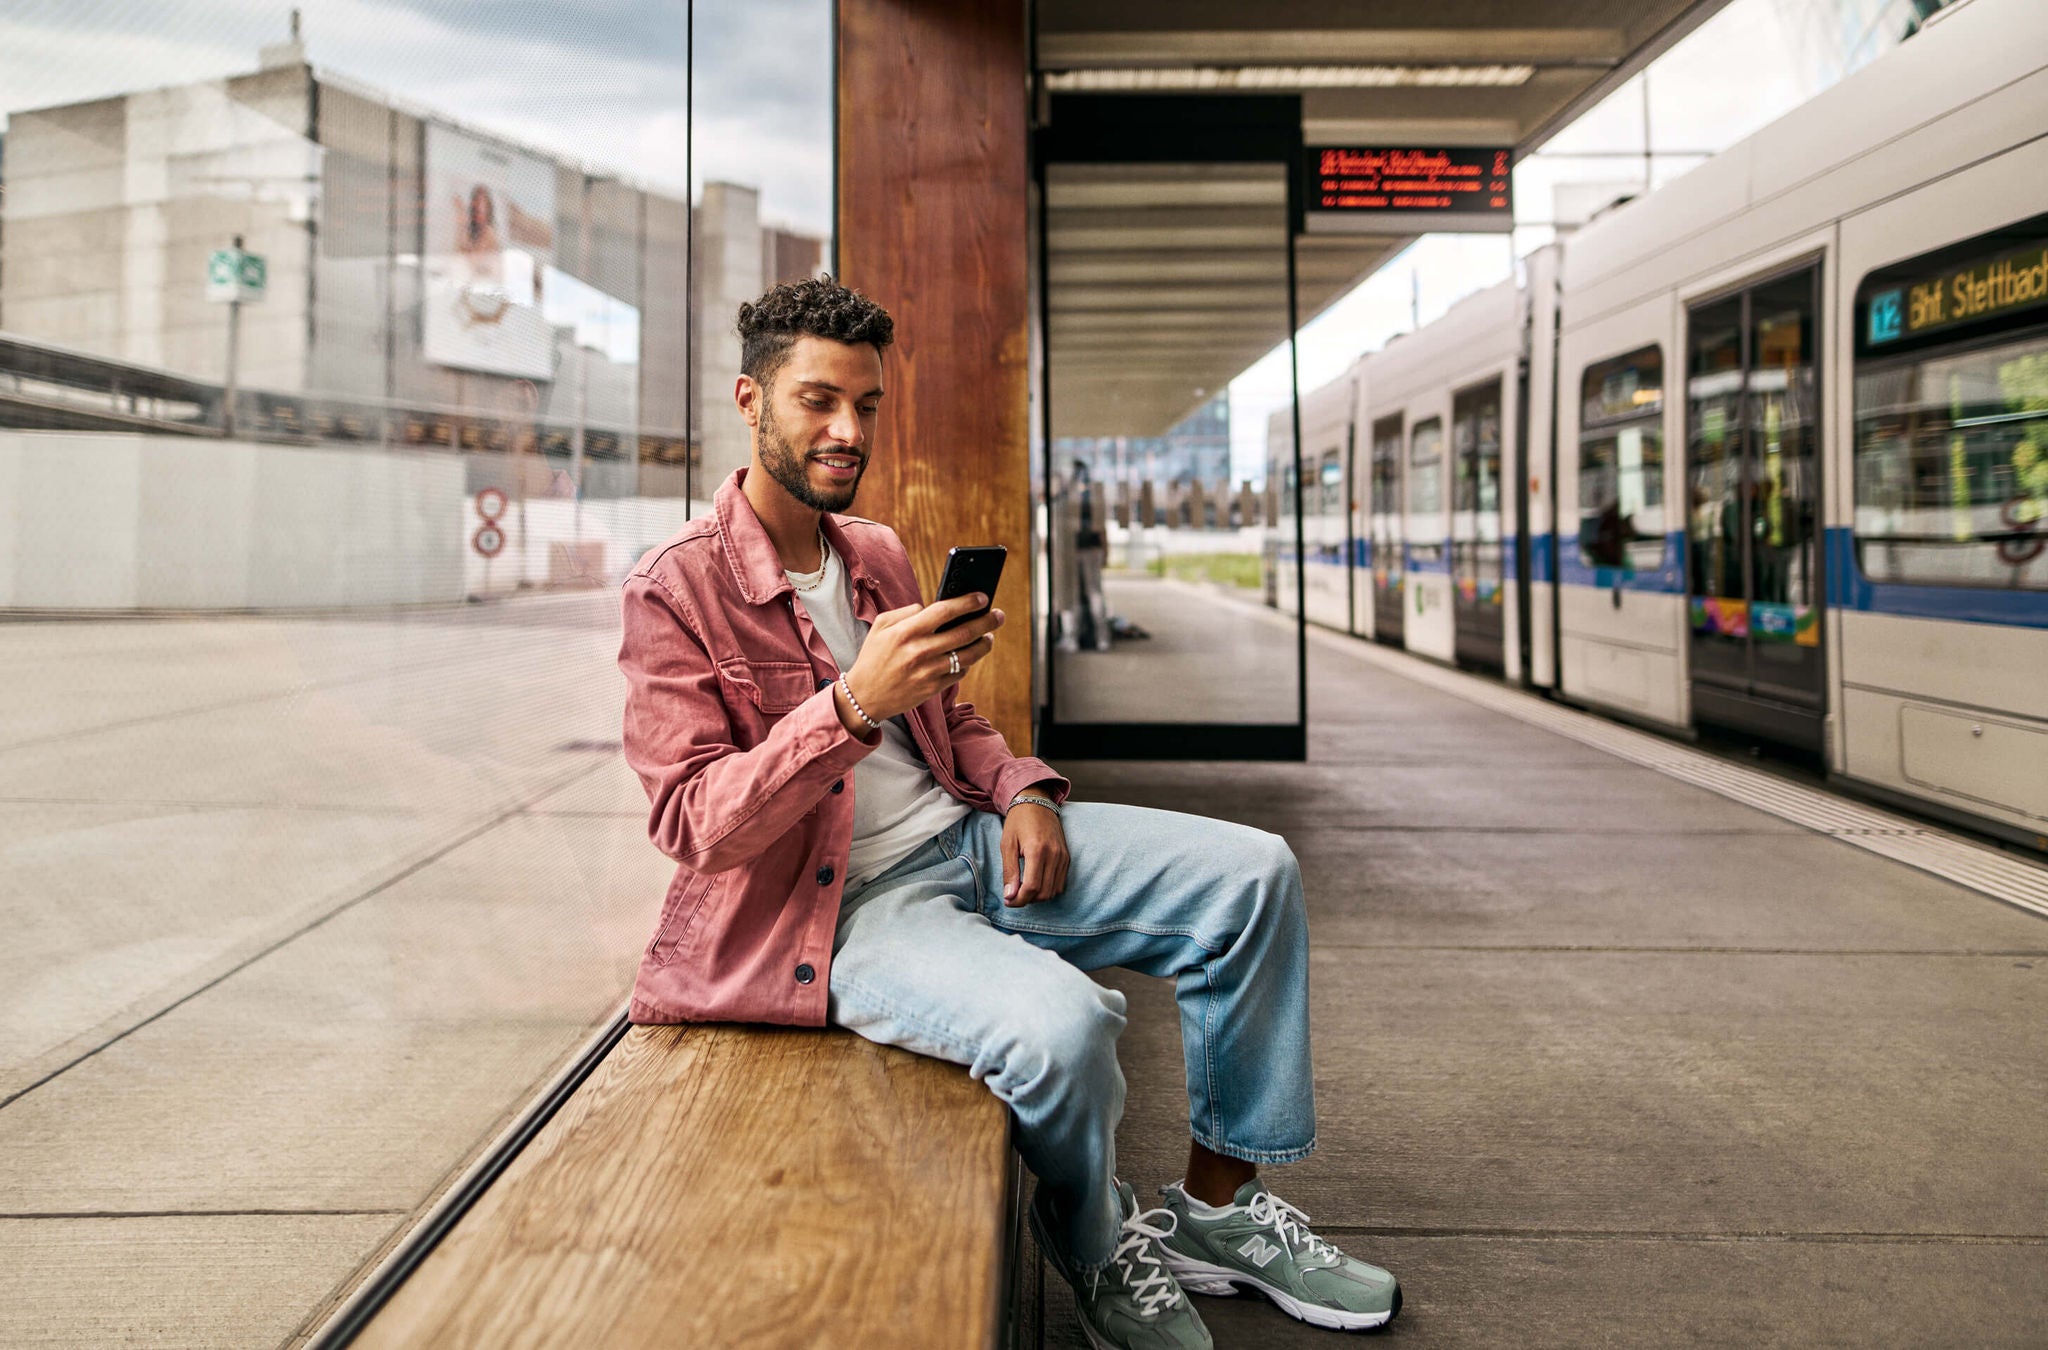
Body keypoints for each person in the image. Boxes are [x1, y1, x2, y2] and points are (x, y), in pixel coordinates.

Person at [616, 278, 1401, 1348]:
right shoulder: (674, 588)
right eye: (817, 402)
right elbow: (693, 823)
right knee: (1064, 1030)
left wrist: (1019, 787)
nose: (848, 431)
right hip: (838, 913)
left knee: (1251, 874)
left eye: (867, 404)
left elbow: (950, 719)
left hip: (971, 840)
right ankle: (1092, 1237)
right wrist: (849, 705)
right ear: (749, 401)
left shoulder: (874, 553)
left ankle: (1215, 1217)